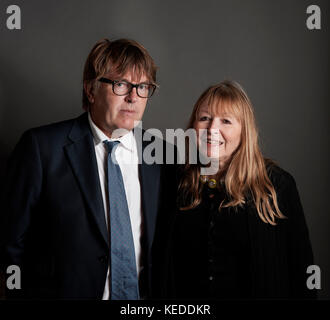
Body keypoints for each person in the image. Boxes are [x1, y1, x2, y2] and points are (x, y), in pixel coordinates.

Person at [0, 38, 175, 299]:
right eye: (120, 84)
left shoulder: (163, 155)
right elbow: (9, 243)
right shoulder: (41, 148)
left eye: (142, 87)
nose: (133, 97)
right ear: (91, 89)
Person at [167, 80, 316, 299]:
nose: (212, 130)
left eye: (225, 121)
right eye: (204, 118)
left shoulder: (277, 186)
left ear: (245, 131)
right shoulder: (177, 183)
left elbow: (304, 269)